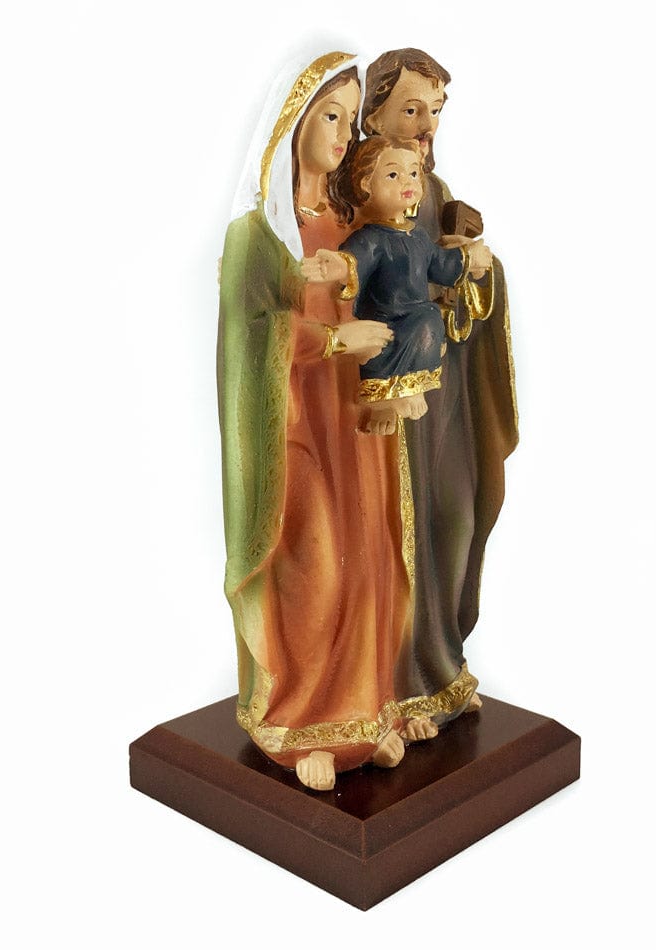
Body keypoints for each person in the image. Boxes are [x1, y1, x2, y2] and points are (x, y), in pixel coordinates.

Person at [218, 53, 410, 790]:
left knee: (369, 557)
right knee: (313, 564)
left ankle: (360, 716)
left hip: (353, 421)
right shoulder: (259, 235)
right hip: (294, 424)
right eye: (330, 114)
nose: (341, 133)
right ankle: (299, 724)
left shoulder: (352, 223)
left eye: (350, 119)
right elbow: (251, 336)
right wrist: (334, 339)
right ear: (293, 120)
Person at [362, 49, 519, 740]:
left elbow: (456, 288)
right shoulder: (364, 188)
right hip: (391, 399)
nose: (427, 125)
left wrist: (476, 270)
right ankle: (394, 687)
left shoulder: (436, 187)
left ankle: (440, 666)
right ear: (374, 117)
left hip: (444, 389)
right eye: (410, 109)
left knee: (455, 514)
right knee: (398, 533)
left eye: (435, 111)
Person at [302, 135, 492, 435]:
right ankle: (388, 400)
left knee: (430, 318)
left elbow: (441, 265)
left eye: (414, 173)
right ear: (366, 184)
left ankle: (406, 392)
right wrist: (337, 266)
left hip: (418, 318)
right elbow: (355, 260)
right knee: (416, 326)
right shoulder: (372, 238)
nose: (407, 181)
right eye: (393, 175)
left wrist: (468, 258)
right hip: (386, 319)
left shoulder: (418, 237)